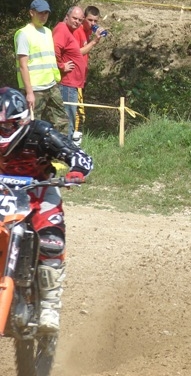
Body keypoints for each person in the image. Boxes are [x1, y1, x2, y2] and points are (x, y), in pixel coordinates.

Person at [0, 86, 93, 332]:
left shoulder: (41, 133)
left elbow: (79, 156)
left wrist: (76, 172)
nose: (2, 131)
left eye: (6, 126)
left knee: (52, 243)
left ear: (21, 121)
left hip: (40, 190)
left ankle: (50, 306)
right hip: (3, 193)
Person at [14, 0, 68, 134]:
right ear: (31, 13)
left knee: (62, 122)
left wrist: (55, 80)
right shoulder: (24, 34)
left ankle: (62, 147)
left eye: (46, 13)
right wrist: (29, 93)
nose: (43, 16)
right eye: (40, 13)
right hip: (35, 89)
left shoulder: (48, 32)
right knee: (31, 127)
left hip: (51, 86)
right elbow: (23, 65)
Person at [72, 6, 106, 145]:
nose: (92, 23)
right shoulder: (77, 31)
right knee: (79, 113)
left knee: (78, 112)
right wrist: (94, 42)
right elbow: (77, 52)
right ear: (83, 18)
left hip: (81, 78)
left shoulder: (87, 31)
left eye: (95, 21)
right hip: (73, 78)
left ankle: (75, 141)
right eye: (90, 20)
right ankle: (74, 144)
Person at [53, 6, 88, 141]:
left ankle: (66, 144)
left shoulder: (69, 31)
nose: (77, 22)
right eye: (74, 18)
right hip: (67, 83)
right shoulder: (62, 29)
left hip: (72, 84)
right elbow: (55, 49)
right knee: (67, 120)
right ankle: (65, 146)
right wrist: (61, 66)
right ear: (67, 16)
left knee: (70, 118)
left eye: (80, 20)